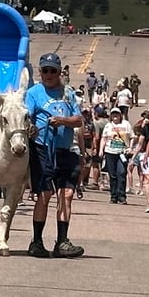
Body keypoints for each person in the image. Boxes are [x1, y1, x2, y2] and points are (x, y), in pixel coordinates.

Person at [25, 53, 85, 258]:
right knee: (45, 195)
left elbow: (78, 120)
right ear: (40, 72)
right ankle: (37, 241)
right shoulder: (33, 93)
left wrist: (63, 121)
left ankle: (62, 241)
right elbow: (26, 117)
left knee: (66, 195)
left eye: (53, 71)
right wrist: (32, 129)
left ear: (60, 72)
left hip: (65, 150)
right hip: (43, 148)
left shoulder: (68, 93)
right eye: (45, 70)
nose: (49, 74)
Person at [100, 107, 133, 204]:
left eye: (117, 114)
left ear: (120, 115)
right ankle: (113, 195)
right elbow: (104, 138)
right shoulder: (108, 126)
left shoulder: (126, 124)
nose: (115, 116)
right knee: (112, 175)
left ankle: (122, 196)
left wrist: (130, 148)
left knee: (121, 173)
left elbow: (132, 137)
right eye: (113, 114)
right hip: (110, 151)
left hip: (122, 152)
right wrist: (101, 150)